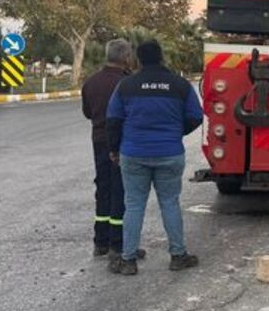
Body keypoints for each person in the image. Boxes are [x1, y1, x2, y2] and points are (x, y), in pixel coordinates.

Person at [106, 40, 203, 275]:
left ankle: (128, 260)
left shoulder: (126, 85)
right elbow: (196, 116)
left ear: (138, 60)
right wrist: (175, 131)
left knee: (134, 205)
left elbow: (113, 120)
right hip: (169, 153)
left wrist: (114, 149)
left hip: (133, 153)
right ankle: (178, 255)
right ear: (161, 58)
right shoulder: (180, 85)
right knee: (170, 203)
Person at [80, 39, 143, 261]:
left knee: (103, 186)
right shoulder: (129, 83)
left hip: (98, 140)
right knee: (120, 190)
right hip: (123, 142)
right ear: (126, 58)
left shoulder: (91, 82)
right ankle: (118, 243)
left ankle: (101, 242)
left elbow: (88, 113)